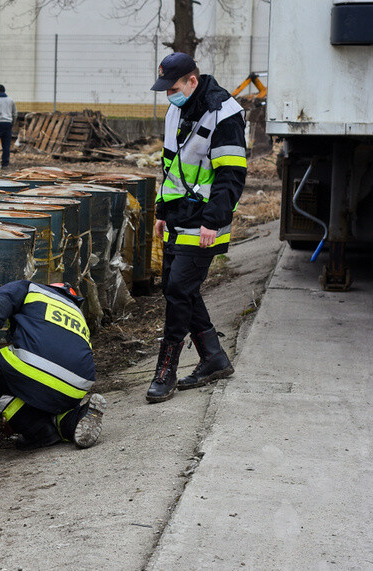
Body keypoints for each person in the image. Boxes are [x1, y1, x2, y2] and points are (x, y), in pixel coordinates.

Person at [146, 52, 246, 403]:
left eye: (173, 88)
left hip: (205, 222)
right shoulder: (177, 109)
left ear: (192, 80)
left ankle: (165, 371)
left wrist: (212, 222)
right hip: (177, 218)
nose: (168, 95)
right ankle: (214, 359)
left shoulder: (225, 113)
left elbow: (231, 174)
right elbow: (171, 167)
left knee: (177, 291)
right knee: (180, 290)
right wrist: (161, 209)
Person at [0, 280, 107, 450]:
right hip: (77, 386)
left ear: (51, 286)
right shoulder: (77, 313)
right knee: (51, 402)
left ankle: (36, 429)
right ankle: (73, 419)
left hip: (33, 368)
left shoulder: (29, 288)